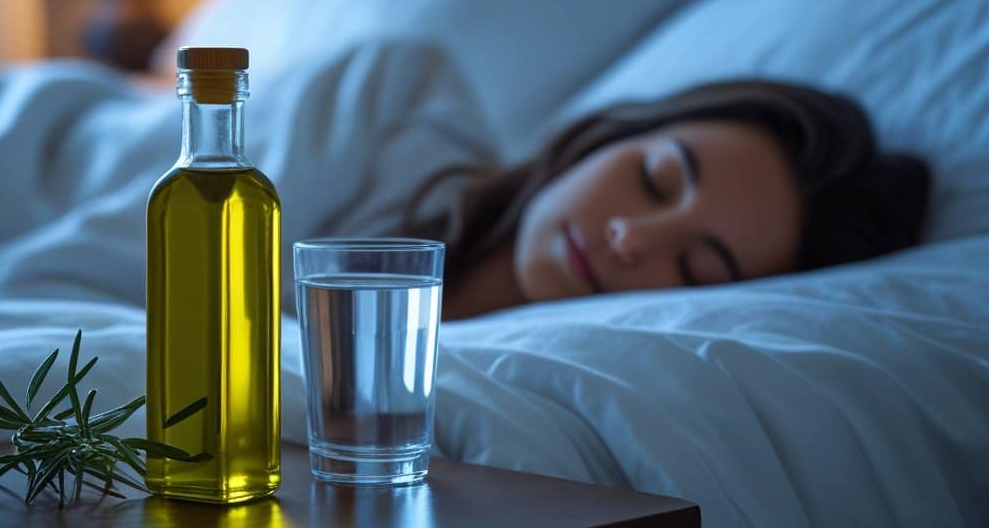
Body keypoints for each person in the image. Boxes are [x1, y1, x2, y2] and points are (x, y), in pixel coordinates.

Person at [398, 81, 930, 321]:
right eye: (655, 178)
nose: (631, 238)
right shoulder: (388, 117)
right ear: (615, 136)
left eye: (695, 268)